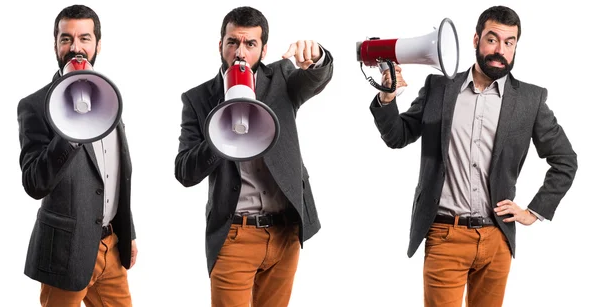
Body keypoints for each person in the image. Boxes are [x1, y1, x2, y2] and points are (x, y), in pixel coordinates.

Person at [369, 5, 577, 307]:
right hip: (444, 236)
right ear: (476, 39)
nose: (500, 50)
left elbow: (565, 160)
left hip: (497, 240)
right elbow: (398, 136)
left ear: (517, 45)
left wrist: (533, 212)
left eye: (509, 42)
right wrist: (387, 96)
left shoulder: (531, 99)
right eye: (492, 39)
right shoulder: (439, 87)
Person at [175, 6, 333, 307]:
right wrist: (219, 137)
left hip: (285, 232)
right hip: (234, 235)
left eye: (250, 44)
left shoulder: (283, 78)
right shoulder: (197, 99)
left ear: (263, 49)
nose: (240, 52)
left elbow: (318, 78)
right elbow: (184, 171)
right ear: (220, 44)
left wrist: (319, 58)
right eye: (233, 42)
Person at [17, 5, 137, 306]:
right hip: (65, 253)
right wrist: (69, 133)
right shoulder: (35, 105)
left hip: (111, 246)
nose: (76, 47)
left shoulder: (109, 97)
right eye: (66, 39)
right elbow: (34, 183)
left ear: (98, 44)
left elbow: (115, 173)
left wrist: (127, 230)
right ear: (56, 44)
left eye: (85, 38)